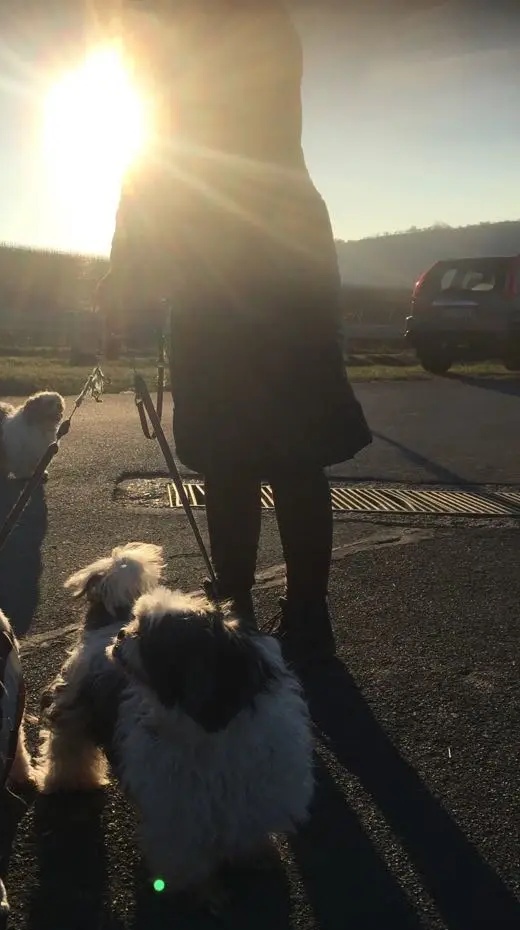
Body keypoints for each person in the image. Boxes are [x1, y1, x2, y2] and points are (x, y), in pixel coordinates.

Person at [96, 0, 372, 663]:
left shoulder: (175, 40)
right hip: (288, 255)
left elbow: (152, 162)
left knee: (232, 453)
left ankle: (239, 610)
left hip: (223, 264)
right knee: (290, 452)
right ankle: (301, 613)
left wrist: (126, 282)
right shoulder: (267, 25)